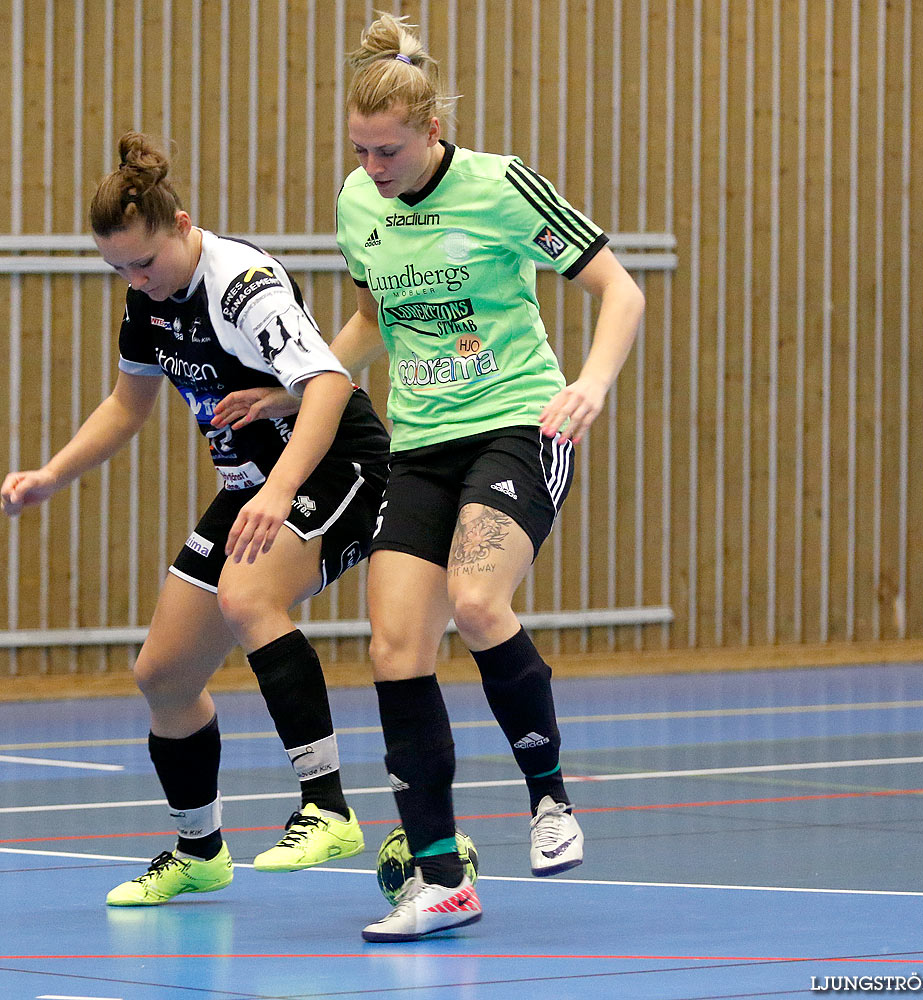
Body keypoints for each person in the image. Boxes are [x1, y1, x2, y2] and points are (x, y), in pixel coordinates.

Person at [222, 13, 645, 942]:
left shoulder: (500, 189)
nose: (374, 166)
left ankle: (550, 797)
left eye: (390, 150)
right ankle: (442, 877)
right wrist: (301, 390)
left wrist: (590, 385)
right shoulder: (357, 204)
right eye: (361, 150)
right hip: (419, 444)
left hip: (519, 425)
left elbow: (622, 288)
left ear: (433, 132)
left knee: (480, 602)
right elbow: (372, 318)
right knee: (395, 649)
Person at [0, 132, 390, 907]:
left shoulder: (243, 285)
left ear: (182, 224)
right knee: (164, 673)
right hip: (252, 482)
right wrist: (52, 472)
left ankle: (328, 806)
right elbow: (126, 405)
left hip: (335, 464)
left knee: (249, 596)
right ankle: (199, 848)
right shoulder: (147, 302)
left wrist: (278, 492)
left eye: (144, 262)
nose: (135, 281)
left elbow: (324, 388)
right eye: (118, 269)